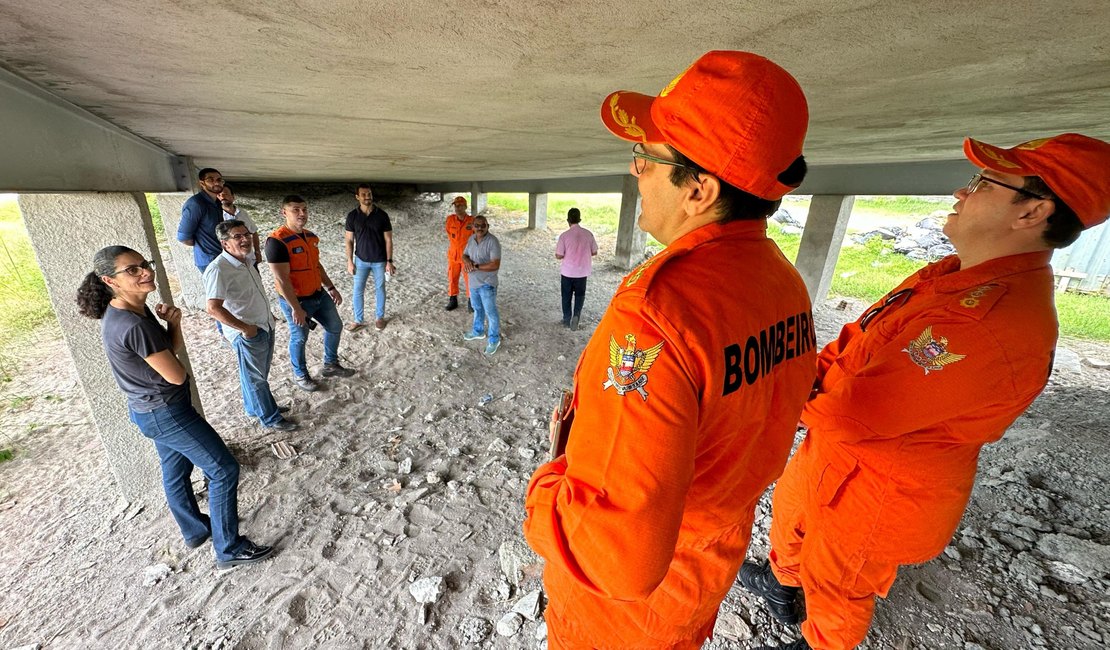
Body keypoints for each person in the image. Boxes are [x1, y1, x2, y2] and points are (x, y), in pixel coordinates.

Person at [741, 133, 1110, 650]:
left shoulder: (989, 322)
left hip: (879, 483)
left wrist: (769, 395)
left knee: (840, 584)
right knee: (791, 524)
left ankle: (819, 641)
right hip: (832, 451)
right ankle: (783, 588)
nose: (962, 192)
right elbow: (860, 337)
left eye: (983, 182)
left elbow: (856, 414)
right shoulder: (953, 274)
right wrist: (805, 378)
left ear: (1032, 213)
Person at [522, 50, 817, 649]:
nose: (635, 170)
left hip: (620, 617)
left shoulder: (658, 315)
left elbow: (616, 558)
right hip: (704, 565)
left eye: (647, 158)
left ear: (699, 190)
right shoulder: (778, 279)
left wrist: (543, 489)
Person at [76, 246, 274, 570]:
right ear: (109, 280)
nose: (145, 272)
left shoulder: (131, 309)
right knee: (223, 469)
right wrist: (172, 354)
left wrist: (175, 323)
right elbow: (176, 373)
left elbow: (167, 349)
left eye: (145, 264)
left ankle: (195, 530)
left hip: (150, 411)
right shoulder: (132, 324)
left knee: (176, 470)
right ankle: (229, 548)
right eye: (133, 270)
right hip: (167, 412)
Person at [204, 220, 296, 431]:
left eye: (246, 234)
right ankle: (270, 418)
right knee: (256, 378)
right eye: (237, 237)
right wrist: (244, 328)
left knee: (256, 374)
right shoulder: (218, 269)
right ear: (225, 243)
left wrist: (268, 315)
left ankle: (255, 408)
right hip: (248, 332)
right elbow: (213, 308)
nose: (245, 239)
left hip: (263, 325)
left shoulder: (246, 259)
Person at [265, 195, 356, 392]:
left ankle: (330, 364)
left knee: (335, 326)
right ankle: (300, 375)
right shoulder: (277, 241)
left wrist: (331, 287)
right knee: (299, 338)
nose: (302, 213)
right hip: (297, 300)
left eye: (304, 209)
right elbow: (281, 279)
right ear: (284, 212)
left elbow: (317, 265)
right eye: (296, 209)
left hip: (318, 294)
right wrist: (295, 308)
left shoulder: (310, 237)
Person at [344, 184, 396, 331]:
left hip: (380, 261)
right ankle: (358, 320)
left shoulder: (382, 215)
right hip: (360, 260)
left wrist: (389, 261)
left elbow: (388, 240)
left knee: (380, 288)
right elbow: (349, 240)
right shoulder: (352, 216)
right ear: (357, 197)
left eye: (369, 194)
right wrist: (349, 261)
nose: (367, 197)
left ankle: (380, 318)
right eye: (364, 194)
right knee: (358, 290)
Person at [461, 215, 502, 355]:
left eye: (482, 225)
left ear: (488, 226)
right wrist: (467, 262)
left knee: (491, 312)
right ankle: (478, 331)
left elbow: (495, 264)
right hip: (473, 282)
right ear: (472, 227)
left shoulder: (493, 242)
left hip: (487, 284)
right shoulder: (471, 239)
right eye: (477, 225)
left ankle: (494, 339)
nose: (479, 228)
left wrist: (476, 266)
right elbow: (464, 254)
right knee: (477, 308)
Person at [554, 207, 598, 330]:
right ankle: (577, 316)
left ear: (568, 220)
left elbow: (559, 255)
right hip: (582, 273)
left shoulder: (564, 236)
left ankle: (567, 319)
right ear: (579, 219)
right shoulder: (588, 234)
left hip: (567, 273)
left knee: (566, 296)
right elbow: (594, 252)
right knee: (580, 296)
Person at [177, 167, 227, 273]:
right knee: (218, 290)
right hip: (209, 261)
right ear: (202, 183)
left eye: (219, 180)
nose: (216, 183)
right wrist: (204, 245)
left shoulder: (217, 203)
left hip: (223, 256)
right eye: (210, 180)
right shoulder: (196, 204)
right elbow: (183, 237)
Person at [217, 184, 262, 266]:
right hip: (233, 262)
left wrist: (257, 251)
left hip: (249, 259)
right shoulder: (217, 217)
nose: (222, 197)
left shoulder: (242, 213)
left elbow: (254, 232)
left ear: (233, 197)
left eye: (225, 194)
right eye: (219, 195)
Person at [444, 196, 475, 311]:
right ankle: (453, 299)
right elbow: (449, 234)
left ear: (465, 207)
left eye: (460, 205)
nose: (457, 208)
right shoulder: (450, 220)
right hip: (453, 255)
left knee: (469, 278)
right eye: (456, 205)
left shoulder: (472, 221)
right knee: (452, 277)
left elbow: (477, 238)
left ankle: (471, 301)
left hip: (467, 256)